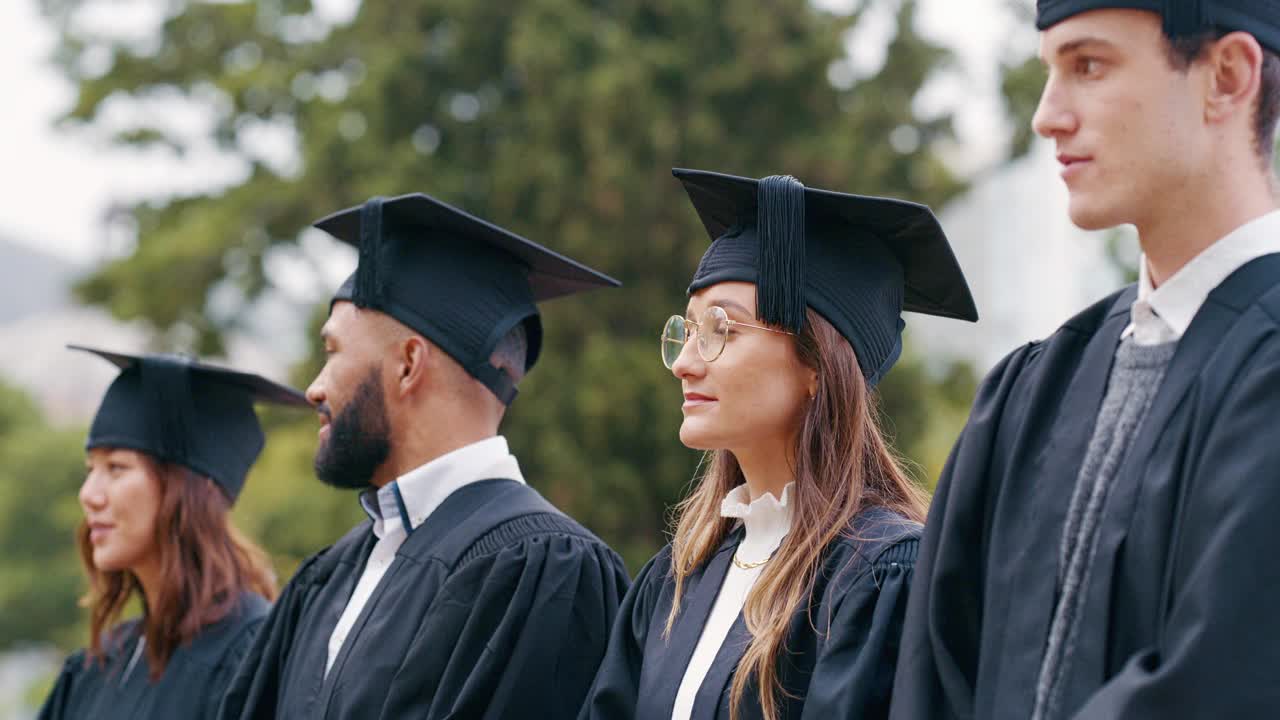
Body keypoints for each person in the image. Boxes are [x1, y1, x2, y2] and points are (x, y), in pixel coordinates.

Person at [891, 3, 1280, 719]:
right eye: (1049, 72)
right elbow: (933, 680)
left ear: (1226, 76)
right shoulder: (1034, 391)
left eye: (1088, 65)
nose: (1047, 116)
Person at [579, 168, 978, 720]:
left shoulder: (884, 578)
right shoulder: (676, 581)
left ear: (817, 364)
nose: (687, 363)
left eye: (723, 330)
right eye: (688, 330)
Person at [219, 192, 630, 720]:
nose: (314, 390)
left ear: (409, 363)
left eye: (333, 352)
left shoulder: (547, 573)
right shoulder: (330, 576)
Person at [38, 346, 310, 720]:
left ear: (190, 491)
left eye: (116, 468)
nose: (89, 495)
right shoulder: (96, 667)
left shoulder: (254, 656)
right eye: (91, 469)